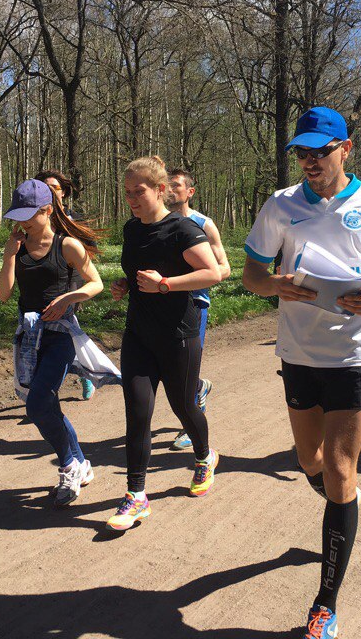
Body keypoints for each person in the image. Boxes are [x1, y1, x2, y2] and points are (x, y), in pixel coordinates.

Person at [242, 107, 361, 639]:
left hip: (355, 352)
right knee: (309, 460)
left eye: (321, 150)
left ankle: (324, 602)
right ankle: (347, 506)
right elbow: (251, 272)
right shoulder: (281, 205)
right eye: (303, 152)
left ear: (347, 149)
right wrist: (275, 286)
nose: (310, 161)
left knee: (340, 469)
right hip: (297, 352)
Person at [108, 156, 222, 531]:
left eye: (138, 192)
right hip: (139, 334)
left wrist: (166, 284)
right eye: (127, 193)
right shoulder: (131, 229)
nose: (132, 199)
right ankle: (136, 496)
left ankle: (205, 456)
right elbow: (135, 269)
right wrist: (125, 285)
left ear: (159, 190)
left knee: (183, 406)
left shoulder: (183, 228)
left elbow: (211, 273)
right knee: (138, 413)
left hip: (178, 335)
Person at [0, 179, 119, 507]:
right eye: (17, 215)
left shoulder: (67, 246)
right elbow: (4, 294)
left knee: (37, 404)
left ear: (47, 210)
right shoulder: (18, 246)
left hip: (61, 336)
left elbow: (96, 284)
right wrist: (10, 256)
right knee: (46, 404)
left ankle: (68, 467)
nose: (21, 222)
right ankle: (81, 462)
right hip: (28, 337)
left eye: (28, 215)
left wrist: (69, 298)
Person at [166, 168, 231, 451]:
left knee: (184, 367)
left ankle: (188, 427)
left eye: (176, 185)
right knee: (169, 368)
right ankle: (199, 387)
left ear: (190, 192)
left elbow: (224, 268)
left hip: (193, 304)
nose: (170, 189)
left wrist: (191, 278)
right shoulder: (155, 221)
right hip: (159, 302)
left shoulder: (203, 224)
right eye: (166, 184)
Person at [34, 169, 96, 400]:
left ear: (64, 193)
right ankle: (81, 371)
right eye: (44, 187)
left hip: (71, 283)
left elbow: (89, 247)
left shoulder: (75, 219)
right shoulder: (34, 218)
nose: (50, 191)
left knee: (64, 327)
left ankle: (48, 391)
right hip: (43, 283)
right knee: (57, 331)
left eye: (55, 187)